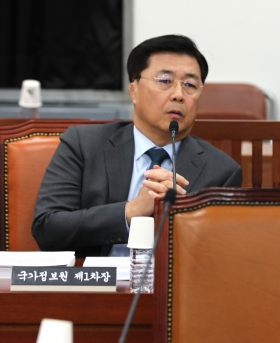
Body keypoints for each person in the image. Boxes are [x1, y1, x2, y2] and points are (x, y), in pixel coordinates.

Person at [33, 35, 242, 256]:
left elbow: (218, 256)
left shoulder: (221, 171)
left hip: (170, 288)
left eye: (190, 85)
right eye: (164, 80)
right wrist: (130, 211)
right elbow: (48, 229)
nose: (179, 95)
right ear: (133, 91)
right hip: (93, 285)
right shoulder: (84, 144)